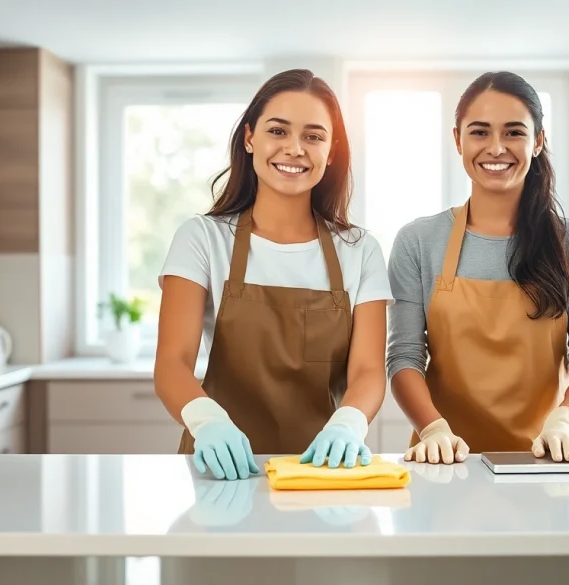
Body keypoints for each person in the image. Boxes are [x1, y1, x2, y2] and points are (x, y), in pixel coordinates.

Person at [154, 69, 393, 481]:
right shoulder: (202, 238)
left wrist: (348, 423)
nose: (294, 149)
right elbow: (172, 363)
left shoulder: (360, 250)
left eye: (314, 136)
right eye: (278, 131)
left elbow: (368, 371)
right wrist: (207, 421)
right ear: (250, 138)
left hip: (322, 471)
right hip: (221, 472)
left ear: (332, 150)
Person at [387, 71, 569, 464]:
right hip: (443, 462)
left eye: (513, 133)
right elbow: (404, 357)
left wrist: (565, 421)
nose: (496, 148)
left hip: (545, 458)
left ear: (539, 141)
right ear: (457, 139)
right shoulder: (418, 242)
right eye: (479, 132)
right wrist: (433, 429)